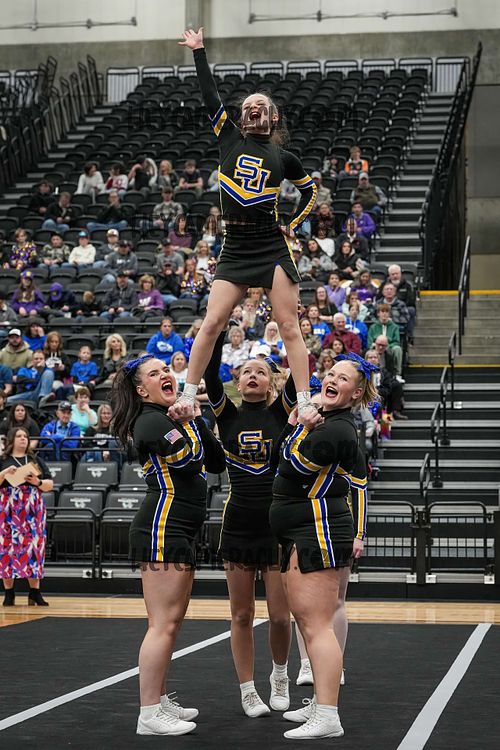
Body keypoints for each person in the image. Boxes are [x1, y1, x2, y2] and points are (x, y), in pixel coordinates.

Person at [172, 27, 317, 421]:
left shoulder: (285, 157)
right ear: (241, 116)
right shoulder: (228, 137)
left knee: (289, 326)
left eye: (261, 105)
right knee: (212, 322)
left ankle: (305, 401)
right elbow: (209, 94)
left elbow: (310, 192)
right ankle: (188, 394)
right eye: (248, 104)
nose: (254, 107)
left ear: (273, 116)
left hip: (271, 246)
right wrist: (199, 52)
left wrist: (293, 223)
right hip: (235, 247)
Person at [110, 354, 225, 736]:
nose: (165, 374)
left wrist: (195, 420)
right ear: (142, 390)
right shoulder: (150, 420)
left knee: (170, 623)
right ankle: (148, 714)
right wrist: (190, 422)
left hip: (179, 529)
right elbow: (190, 462)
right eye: (154, 373)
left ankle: (158, 700)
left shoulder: (170, 418)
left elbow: (216, 461)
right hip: (162, 528)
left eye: (165, 370)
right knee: (162, 624)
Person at [269, 352, 375, 739]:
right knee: (308, 621)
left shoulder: (338, 429)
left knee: (317, 625)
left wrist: (300, 426)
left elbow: (290, 466)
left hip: (319, 530)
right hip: (301, 530)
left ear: (356, 393)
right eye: (330, 373)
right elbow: (278, 456)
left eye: (343, 378)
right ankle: (319, 702)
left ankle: (328, 715)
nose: (332, 380)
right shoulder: (327, 422)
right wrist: (299, 425)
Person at [205, 334, 297, 717]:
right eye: (247, 371)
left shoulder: (280, 414)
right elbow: (210, 373)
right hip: (238, 524)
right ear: (238, 383)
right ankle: (247, 689)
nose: (254, 375)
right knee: (241, 614)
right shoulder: (227, 415)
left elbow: (300, 365)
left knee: (280, 616)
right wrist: (217, 331)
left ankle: (280, 675)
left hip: (276, 526)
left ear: (272, 382)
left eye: (261, 371)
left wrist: (289, 326)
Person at [0, 426, 54, 606]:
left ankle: (34, 592)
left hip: (32, 508)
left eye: (25, 436)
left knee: (33, 547)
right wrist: (5, 473)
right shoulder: (3, 460)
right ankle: (9, 593)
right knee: (7, 548)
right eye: (19, 436)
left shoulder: (35, 459)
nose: (23, 438)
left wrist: (37, 481)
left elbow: (49, 484)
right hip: (8, 508)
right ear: (11, 439)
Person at [368, 303, 404, 377]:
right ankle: (371, 372)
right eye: (382, 311)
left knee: (397, 349)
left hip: (390, 347)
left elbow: (396, 341)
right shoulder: (373, 327)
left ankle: (397, 374)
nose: (384, 314)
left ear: (389, 314)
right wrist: (376, 346)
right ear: (378, 314)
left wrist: (387, 346)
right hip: (376, 347)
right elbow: (369, 341)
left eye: (386, 311)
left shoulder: (394, 327)